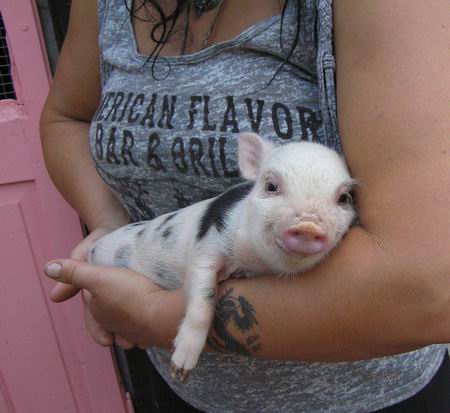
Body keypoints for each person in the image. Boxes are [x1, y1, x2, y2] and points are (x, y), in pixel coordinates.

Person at [40, 0, 450, 411]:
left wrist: (151, 315)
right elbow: (67, 117)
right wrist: (113, 229)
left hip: (373, 398)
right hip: (183, 384)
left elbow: (429, 288)